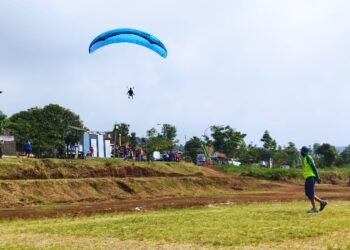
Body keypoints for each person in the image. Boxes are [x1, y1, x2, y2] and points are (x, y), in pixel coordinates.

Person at [300, 146, 328, 213]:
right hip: (308, 177)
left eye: (301, 151)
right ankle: (322, 202)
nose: (300, 152)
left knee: (310, 193)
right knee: (308, 193)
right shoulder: (305, 158)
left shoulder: (308, 157)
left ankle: (314, 208)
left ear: (304, 152)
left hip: (311, 177)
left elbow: (313, 167)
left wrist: (318, 177)